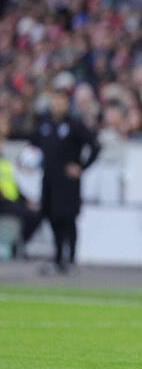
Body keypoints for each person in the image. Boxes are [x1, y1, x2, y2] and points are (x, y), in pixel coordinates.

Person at [31, 86, 100, 274]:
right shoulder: (45, 124)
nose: (57, 105)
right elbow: (32, 145)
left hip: (68, 182)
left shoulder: (75, 124)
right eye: (54, 101)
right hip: (49, 180)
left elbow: (95, 146)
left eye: (61, 101)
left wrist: (81, 167)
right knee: (52, 218)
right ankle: (58, 257)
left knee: (68, 219)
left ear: (66, 104)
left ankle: (71, 259)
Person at [0, 117, 41, 254]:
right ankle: (15, 246)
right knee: (30, 216)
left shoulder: (5, 162)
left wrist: (26, 200)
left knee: (37, 213)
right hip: (3, 202)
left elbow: (13, 186)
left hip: (11, 201)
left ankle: (18, 244)